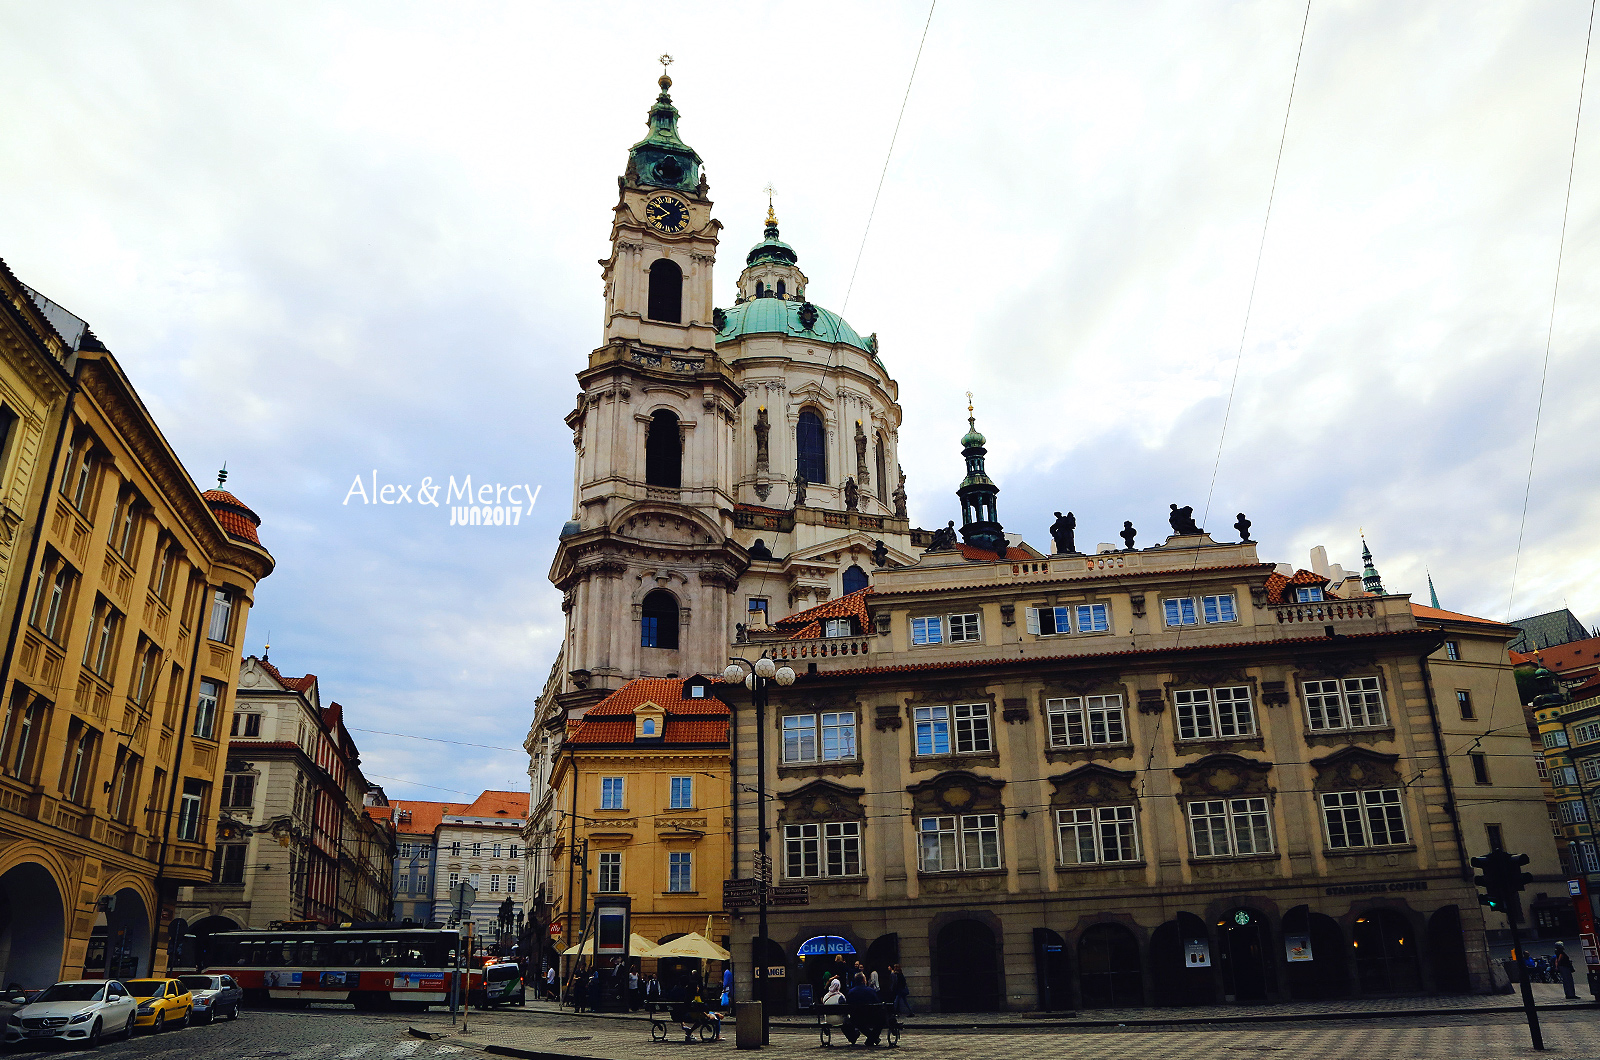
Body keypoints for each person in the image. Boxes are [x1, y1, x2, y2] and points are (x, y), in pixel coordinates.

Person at [844, 973, 883, 1046]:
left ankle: (871, 1038)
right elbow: (878, 1003)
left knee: (859, 1023)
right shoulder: (870, 991)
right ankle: (872, 1038)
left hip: (856, 1018)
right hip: (871, 1018)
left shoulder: (851, 992)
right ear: (863, 980)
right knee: (882, 1020)